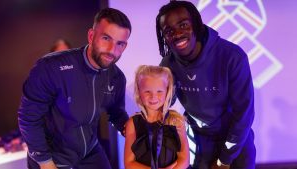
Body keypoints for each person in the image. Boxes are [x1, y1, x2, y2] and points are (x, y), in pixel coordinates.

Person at [18, 8, 131, 169]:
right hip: (51, 157)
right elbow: (28, 118)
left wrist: (137, 132)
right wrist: (45, 162)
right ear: (91, 36)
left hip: (89, 151)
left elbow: (117, 114)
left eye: (120, 43)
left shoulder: (117, 77)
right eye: (106, 38)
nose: (112, 50)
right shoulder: (50, 67)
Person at [156, 1, 256, 169]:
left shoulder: (232, 56)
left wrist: (225, 159)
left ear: (196, 24)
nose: (177, 34)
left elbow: (243, 114)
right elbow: (164, 104)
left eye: (183, 25)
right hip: (199, 139)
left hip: (235, 137)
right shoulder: (168, 64)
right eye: (168, 31)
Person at [124, 65, 189, 169]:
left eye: (159, 91)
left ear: (167, 91)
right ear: (139, 92)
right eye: (147, 91)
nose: (153, 96)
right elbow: (129, 163)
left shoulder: (176, 121)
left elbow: (184, 159)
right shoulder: (132, 124)